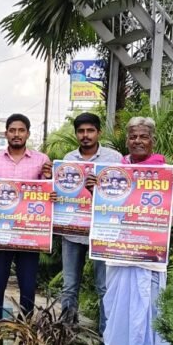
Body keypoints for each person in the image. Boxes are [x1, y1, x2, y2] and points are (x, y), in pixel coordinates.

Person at [91, 117, 173, 345]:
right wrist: (93, 191)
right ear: (127, 141)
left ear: (152, 141)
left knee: (148, 320)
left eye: (143, 137)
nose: (137, 141)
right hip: (119, 259)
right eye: (133, 137)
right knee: (117, 316)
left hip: (148, 262)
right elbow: (104, 212)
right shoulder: (115, 173)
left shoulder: (164, 174)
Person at [0, 113, 52, 323]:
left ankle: (25, 334)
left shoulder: (42, 160)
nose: (16, 134)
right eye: (12, 130)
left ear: (28, 134)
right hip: (1, 233)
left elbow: (47, 193)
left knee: (28, 286)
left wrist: (49, 183)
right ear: (6, 133)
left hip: (29, 234)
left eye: (21, 130)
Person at [58, 113, 122, 331]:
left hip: (102, 232)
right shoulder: (68, 159)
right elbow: (62, 191)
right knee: (69, 287)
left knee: (104, 287)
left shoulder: (114, 159)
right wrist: (55, 194)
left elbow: (123, 195)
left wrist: (100, 188)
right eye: (81, 131)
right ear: (76, 134)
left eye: (90, 131)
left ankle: (107, 341)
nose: (85, 136)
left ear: (98, 132)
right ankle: (65, 336)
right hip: (72, 232)